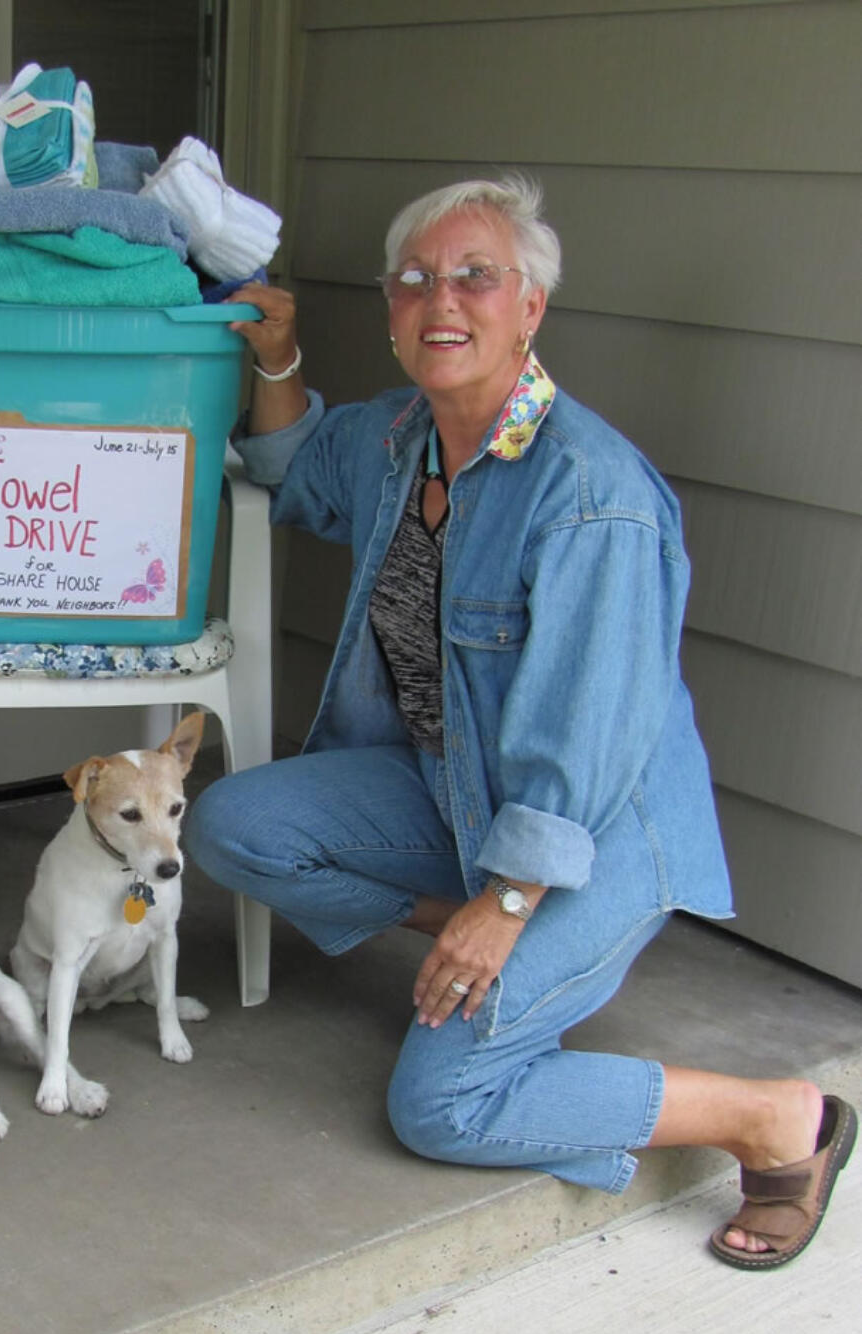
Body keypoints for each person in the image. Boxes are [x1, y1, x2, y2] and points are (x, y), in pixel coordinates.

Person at [186, 173, 855, 1269]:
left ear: (530, 308)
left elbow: (581, 753)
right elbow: (296, 467)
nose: (437, 299)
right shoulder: (397, 435)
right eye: (412, 280)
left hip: (588, 837)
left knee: (441, 1105)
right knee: (231, 825)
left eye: (473, 277)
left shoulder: (592, 494)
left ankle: (778, 1120)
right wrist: (275, 356)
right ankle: (486, 944)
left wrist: (504, 902)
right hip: (450, 792)